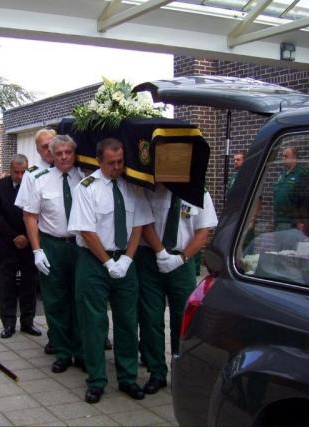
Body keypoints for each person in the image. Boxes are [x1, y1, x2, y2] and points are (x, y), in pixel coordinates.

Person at [68, 138, 154, 404]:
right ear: (99, 160)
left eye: (120, 162)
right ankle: (96, 380)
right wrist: (107, 262)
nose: (117, 167)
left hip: (125, 260)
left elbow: (138, 224)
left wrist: (127, 259)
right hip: (94, 261)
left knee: (128, 321)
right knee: (94, 323)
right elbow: (86, 230)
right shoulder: (86, 188)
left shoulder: (132, 185)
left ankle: (128, 378)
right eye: (111, 163)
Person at [139, 184, 218, 394]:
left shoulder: (199, 193)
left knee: (182, 319)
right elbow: (145, 223)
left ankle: (181, 371)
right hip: (151, 259)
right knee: (151, 318)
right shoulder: (151, 189)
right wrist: (161, 252)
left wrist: (181, 259)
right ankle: (156, 372)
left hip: (183, 262)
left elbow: (203, 231)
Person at [22, 135, 84, 373]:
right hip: (52, 245)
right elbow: (30, 216)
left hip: (80, 245)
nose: (64, 157)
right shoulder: (40, 180)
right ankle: (62, 352)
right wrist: (37, 250)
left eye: (68, 152)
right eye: (59, 153)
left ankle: (81, 351)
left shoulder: (85, 178)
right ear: (52, 155)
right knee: (55, 301)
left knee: (80, 299)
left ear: (74, 153)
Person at [14, 128, 57, 354]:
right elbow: (28, 214)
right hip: (49, 241)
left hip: (77, 241)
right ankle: (56, 337)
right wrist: (37, 249)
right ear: (38, 150)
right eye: (43, 146)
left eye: (52, 143)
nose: (49, 149)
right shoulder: (32, 174)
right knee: (52, 296)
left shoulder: (71, 166)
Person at [0, 154, 42, 339]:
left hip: (30, 243)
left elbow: (38, 214)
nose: (20, 176)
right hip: (7, 243)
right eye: (16, 172)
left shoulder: (35, 184)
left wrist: (29, 237)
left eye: (23, 172)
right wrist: (14, 237)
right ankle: (8, 324)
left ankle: (28, 322)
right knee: (7, 285)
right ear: (10, 170)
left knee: (30, 284)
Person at [273, 147, 308, 230]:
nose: (283, 158)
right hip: (278, 219)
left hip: (291, 221)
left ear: (294, 158)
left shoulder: (301, 174)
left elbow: (304, 200)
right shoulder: (282, 174)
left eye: (286, 156)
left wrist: (299, 221)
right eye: (282, 156)